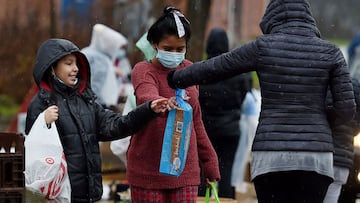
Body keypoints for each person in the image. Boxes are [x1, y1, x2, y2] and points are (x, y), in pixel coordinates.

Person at [167, 0, 356, 202]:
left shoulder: (262, 47)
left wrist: (175, 77)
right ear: (308, 17)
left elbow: (217, 67)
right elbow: (346, 110)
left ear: (272, 17)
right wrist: (316, 120)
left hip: (271, 156)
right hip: (316, 158)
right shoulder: (331, 52)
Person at [24, 38, 169, 202]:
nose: (75, 69)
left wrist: (148, 110)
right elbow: (33, 151)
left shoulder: (86, 101)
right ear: (51, 67)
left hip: (90, 195)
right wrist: (44, 122)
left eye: (76, 64)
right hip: (58, 196)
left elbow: (116, 125)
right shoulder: (41, 104)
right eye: (68, 63)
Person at [127, 6, 220, 202]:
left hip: (184, 172)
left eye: (180, 49)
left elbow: (196, 122)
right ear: (154, 44)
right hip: (147, 171)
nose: (174, 54)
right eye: (168, 49)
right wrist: (157, 103)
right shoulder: (143, 70)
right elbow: (146, 93)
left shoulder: (190, 71)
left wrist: (210, 161)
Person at [197, 27, 252, 198]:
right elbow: (244, 95)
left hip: (205, 129)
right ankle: (227, 200)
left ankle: (200, 200)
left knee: (202, 170)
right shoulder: (239, 72)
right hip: (231, 130)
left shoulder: (200, 70)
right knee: (227, 171)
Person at [323, 78, 360, 203]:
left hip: (322, 155)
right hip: (343, 159)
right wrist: (348, 131)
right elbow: (356, 126)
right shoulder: (355, 87)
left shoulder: (324, 83)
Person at [81, 24, 132, 110]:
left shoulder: (92, 53)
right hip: (97, 105)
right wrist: (98, 107)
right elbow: (95, 86)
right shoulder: (98, 58)